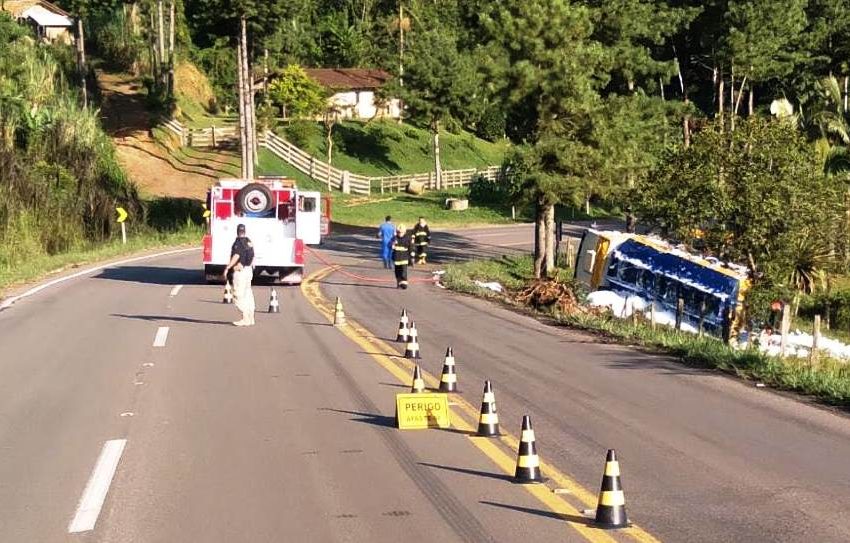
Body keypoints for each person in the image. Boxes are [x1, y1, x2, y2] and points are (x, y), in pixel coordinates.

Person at [223, 223, 255, 326]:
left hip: (240, 272)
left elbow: (236, 255)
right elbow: (252, 255)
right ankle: (251, 317)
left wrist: (228, 268)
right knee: (248, 294)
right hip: (248, 271)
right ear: (245, 231)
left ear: (237, 231)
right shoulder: (249, 241)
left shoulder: (238, 243)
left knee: (238, 295)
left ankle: (245, 318)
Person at [391, 224, 415, 289]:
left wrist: (412, 258)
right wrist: (392, 245)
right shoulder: (394, 238)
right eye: (398, 232)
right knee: (397, 272)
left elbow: (411, 248)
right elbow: (389, 245)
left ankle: (404, 283)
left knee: (404, 272)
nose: (399, 233)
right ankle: (398, 283)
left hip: (404, 257)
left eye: (401, 232)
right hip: (396, 258)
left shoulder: (408, 238)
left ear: (404, 232)